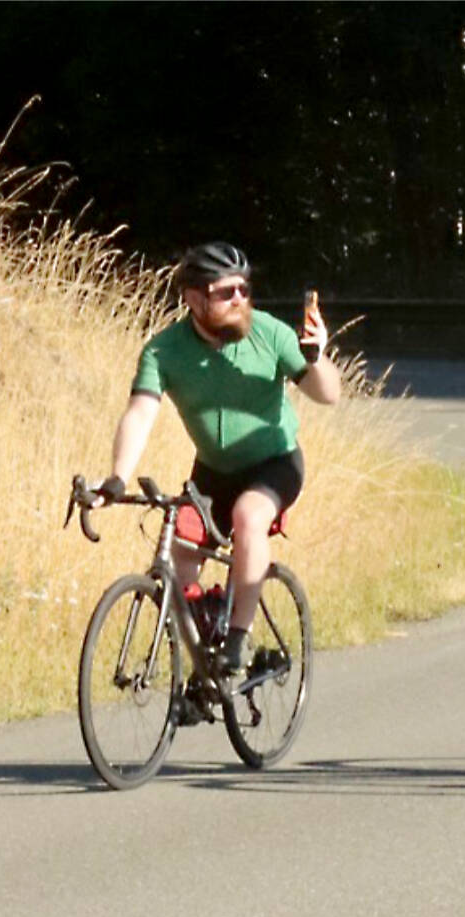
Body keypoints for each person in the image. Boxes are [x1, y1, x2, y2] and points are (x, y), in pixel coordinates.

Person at [93, 241, 341, 673]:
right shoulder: (163, 351)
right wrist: (117, 477)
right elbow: (140, 414)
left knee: (248, 517)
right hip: (212, 474)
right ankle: (207, 660)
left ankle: (237, 642)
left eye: (244, 290)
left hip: (275, 463)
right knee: (176, 562)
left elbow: (329, 395)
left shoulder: (271, 334)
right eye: (227, 293)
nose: (240, 300)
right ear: (193, 298)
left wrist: (314, 360)